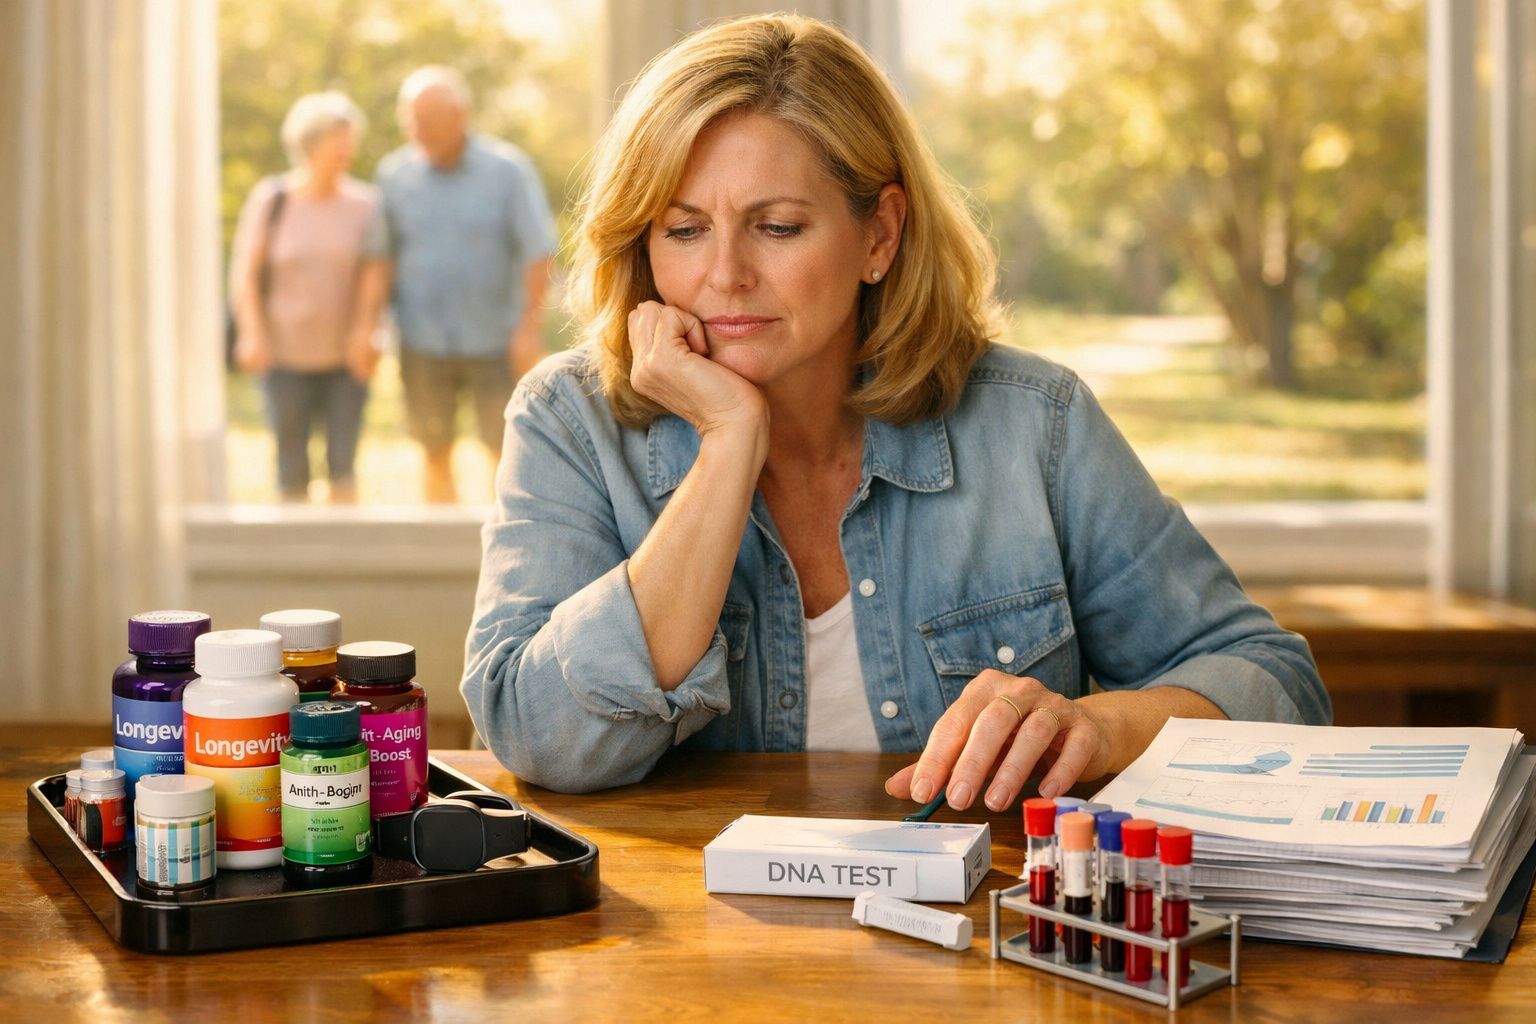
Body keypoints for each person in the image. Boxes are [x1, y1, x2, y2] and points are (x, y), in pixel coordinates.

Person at [460, 15, 1330, 798]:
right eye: (683, 230)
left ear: (880, 234)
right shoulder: (569, 421)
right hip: (683, 959)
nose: (723, 275)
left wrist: (1098, 729)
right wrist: (730, 442)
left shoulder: (1033, 425)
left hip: (974, 949)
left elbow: (1278, 692)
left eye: (778, 226)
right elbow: (543, 741)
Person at [352, 66, 557, 503]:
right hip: (421, 339)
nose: (417, 130)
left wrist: (528, 329)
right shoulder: (394, 175)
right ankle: (439, 557)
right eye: (411, 119)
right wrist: (368, 327)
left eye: (427, 119)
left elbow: (539, 252)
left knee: (506, 453)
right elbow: (380, 259)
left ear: (460, 115)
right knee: (432, 450)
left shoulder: (507, 171)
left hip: (495, 341)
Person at [230, 91, 377, 503]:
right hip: (283, 356)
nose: (348, 148)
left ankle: (344, 559)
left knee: (343, 466)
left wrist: (366, 333)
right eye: (338, 138)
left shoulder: (365, 205)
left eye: (350, 138)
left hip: (346, 360)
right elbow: (245, 273)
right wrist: (251, 334)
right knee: (290, 465)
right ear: (310, 144)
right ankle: (294, 561)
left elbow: (374, 276)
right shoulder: (272, 199)